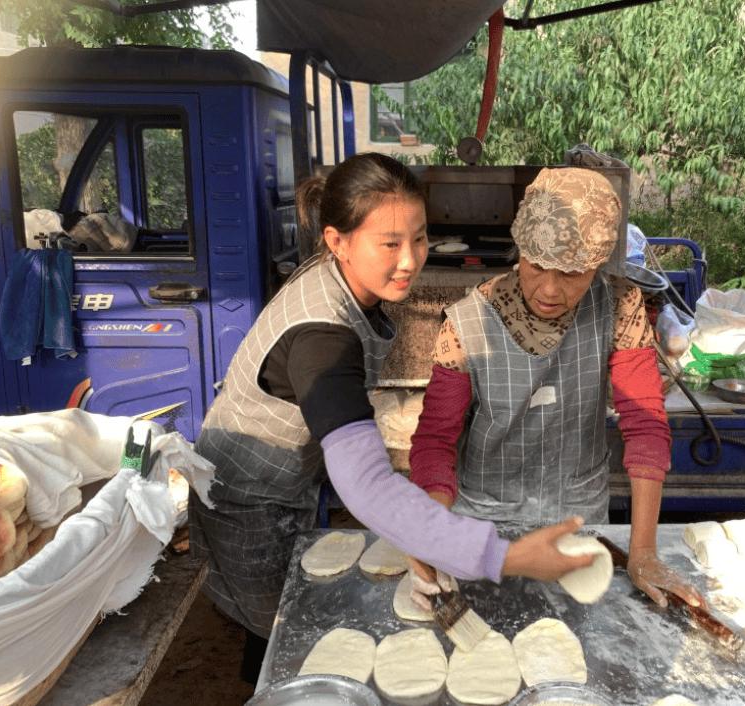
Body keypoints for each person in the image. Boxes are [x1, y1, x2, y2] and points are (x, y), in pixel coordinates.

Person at [189, 154, 596, 684]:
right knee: (287, 644)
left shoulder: (342, 279)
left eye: (420, 239)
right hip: (247, 501)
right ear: (337, 241)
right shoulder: (320, 336)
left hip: (286, 482)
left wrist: (425, 538)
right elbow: (365, 484)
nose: (410, 261)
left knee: (285, 631)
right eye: (390, 244)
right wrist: (506, 556)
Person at [408, 167, 703, 609]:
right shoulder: (466, 325)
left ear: (597, 265)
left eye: (572, 273)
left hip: (577, 524)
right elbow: (435, 442)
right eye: (537, 265)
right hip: (487, 525)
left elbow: (644, 425)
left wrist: (642, 552)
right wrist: (434, 532)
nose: (548, 289)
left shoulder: (620, 307)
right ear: (521, 249)